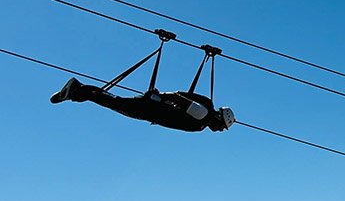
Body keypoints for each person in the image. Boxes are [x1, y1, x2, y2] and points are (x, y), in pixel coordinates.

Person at [50, 77, 235, 133]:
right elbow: (179, 99)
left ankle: (79, 90)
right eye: (222, 127)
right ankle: (78, 90)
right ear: (220, 118)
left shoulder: (203, 118)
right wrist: (159, 98)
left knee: (114, 102)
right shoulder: (203, 114)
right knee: (114, 102)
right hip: (151, 109)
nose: (219, 130)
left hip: (152, 110)